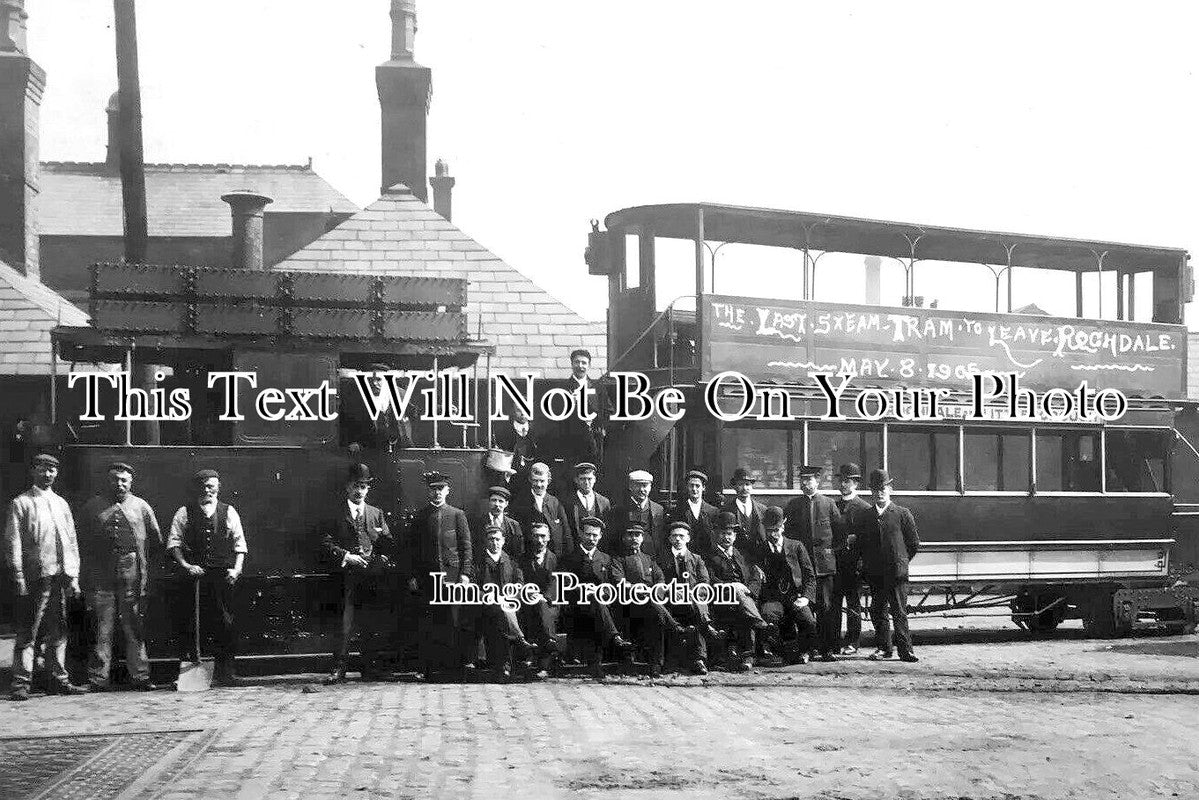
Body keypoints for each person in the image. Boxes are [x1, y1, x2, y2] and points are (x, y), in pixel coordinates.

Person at [5, 454, 88, 700]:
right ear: (33, 472)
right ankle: (21, 683)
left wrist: (73, 576)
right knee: (28, 632)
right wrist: (18, 575)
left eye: (52, 470)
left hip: (59, 577)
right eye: (43, 470)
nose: (48, 475)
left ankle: (58, 679)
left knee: (58, 630)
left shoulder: (62, 504)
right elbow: (13, 542)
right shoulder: (21, 503)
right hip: (34, 577)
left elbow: (71, 542)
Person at [79, 462, 160, 691]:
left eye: (124, 480)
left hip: (131, 573)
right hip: (100, 575)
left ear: (131, 482)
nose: (120, 484)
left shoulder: (141, 507)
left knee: (134, 626)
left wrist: (143, 569)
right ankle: (98, 679)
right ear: (108, 481)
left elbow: (155, 540)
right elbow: (80, 541)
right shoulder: (92, 507)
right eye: (115, 479)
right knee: (101, 628)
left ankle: (141, 676)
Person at [166, 468, 248, 686]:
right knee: (192, 622)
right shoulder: (184, 512)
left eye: (211, 486)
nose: (207, 490)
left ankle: (226, 672)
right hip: (194, 577)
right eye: (203, 486)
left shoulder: (229, 511)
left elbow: (240, 544)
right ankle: (190, 675)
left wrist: (236, 569)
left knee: (225, 623)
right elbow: (173, 543)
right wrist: (186, 565)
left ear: (218, 487)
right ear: (197, 488)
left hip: (221, 576)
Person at [320, 463, 396, 684]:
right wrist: (346, 556)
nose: (360, 491)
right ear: (347, 487)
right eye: (356, 486)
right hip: (346, 578)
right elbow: (325, 543)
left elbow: (387, 543)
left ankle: (369, 668)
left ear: (368, 489)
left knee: (371, 622)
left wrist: (380, 561)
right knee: (344, 624)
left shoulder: (376, 514)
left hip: (371, 578)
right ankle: (339, 669)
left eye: (363, 486)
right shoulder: (335, 514)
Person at [406, 470, 474, 679]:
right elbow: (412, 550)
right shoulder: (420, 517)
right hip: (428, 579)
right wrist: (413, 576)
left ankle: (454, 667)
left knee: (453, 621)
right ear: (429, 491)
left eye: (440, 489)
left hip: (452, 577)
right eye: (433, 489)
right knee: (428, 623)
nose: (437, 493)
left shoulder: (457, 515)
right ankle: (427, 668)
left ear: (447, 490)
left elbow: (466, 547)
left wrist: (465, 573)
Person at [557, 516, 635, 679]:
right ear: (581, 534)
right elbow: (563, 585)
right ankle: (614, 638)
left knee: (599, 606)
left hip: (601, 607)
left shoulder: (606, 559)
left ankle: (597, 662)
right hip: (575, 606)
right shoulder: (569, 558)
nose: (591, 539)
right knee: (595, 607)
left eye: (595, 535)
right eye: (588, 534)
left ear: (600, 536)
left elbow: (612, 586)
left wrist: (602, 594)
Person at [860, 469, 921, 663]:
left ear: (890, 490)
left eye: (883, 489)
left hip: (896, 574)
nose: (880, 493)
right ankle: (883, 648)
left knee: (899, 612)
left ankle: (906, 650)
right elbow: (863, 545)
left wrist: (900, 561)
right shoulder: (866, 516)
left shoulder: (902, 513)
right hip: (876, 574)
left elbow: (913, 544)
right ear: (871, 492)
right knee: (878, 611)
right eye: (876, 490)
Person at [782, 465, 843, 662]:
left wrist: (830, 553)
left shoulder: (829, 504)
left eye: (809, 480)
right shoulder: (793, 506)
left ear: (818, 481)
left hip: (824, 567)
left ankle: (827, 649)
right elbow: (788, 537)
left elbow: (840, 535)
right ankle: (807, 649)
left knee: (826, 609)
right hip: (801, 569)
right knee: (803, 609)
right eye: (803, 481)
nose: (806, 484)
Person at [614, 523, 689, 678]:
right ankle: (675, 627)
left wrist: (656, 590)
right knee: (655, 607)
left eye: (638, 535)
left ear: (642, 538)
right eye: (631, 534)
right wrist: (639, 589)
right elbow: (619, 582)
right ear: (624, 538)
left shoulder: (649, 559)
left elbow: (660, 579)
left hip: (652, 603)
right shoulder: (619, 559)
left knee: (658, 615)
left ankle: (656, 664)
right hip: (629, 604)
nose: (635, 538)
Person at [704, 511, 771, 672]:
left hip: (746, 597)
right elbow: (711, 580)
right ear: (716, 534)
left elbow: (755, 574)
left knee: (745, 610)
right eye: (723, 534)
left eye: (730, 534)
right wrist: (732, 586)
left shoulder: (742, 555)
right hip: (722, 597)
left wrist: (749, 591)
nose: (727, 538)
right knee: (744, 606)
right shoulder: (709, 557)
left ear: (734, 536)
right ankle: (759, 624)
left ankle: (747, 657)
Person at [659, 521, 723, 675]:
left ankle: (699, 660)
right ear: (669, 539)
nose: (678, 539)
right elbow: (660, 582)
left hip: (694, 602)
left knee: (695, 607)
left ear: (688, 538)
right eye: (674, 536)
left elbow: (704, 581)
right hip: (672, 601)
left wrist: (693, 592)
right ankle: (706, 624)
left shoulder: (696, 559)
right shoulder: (662, 558)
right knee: (697, 613)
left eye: (681, 536)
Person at [473, 525, 537, 680]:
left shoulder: (511, 562)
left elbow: (520, 583)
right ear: (486, 541)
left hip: (508, 606)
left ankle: (504, 668)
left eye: (497, 539)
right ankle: (519, 641)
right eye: (491, 539)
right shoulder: (478, 562)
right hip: (485, 606)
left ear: (503, 541)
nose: (494, 543)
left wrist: (510, 594)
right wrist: (490, 597)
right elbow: (473, 587)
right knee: (502, 611)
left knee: (503, 613)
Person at [758, 506, 818, 664]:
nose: (773, 534)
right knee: (767, 619)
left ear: (783, 527)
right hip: (773, 599)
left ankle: (805, 650)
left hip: (795, 597)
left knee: (809, 621)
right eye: (769, 530)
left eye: (776, 530)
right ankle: (779, 649)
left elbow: (809, 576)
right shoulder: (761, 549)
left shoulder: (796, 546)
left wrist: (805, 598)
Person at [832, 463, 871, 655]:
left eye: (847, 481)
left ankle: (852, 642)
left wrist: (861, 565)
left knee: (853, 603)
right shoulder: (834, 505)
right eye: (841, 480)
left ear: (855, 483)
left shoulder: (864, 508)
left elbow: (867, 540)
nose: (843, 484)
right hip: (835, 564)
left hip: (854, 565)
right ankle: (833, 641)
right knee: (834, 603)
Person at [516, 521, 563, 677]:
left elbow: (556, 583)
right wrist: (529, 593)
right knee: (535, 612)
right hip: (528, 602)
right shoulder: (523, 559)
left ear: (548, 538)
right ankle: (545, 651)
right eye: (536, 536)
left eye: (543, 536)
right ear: (531, 537)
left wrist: (545, 597)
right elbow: (519, 580)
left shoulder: (555, 560)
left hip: (551, 604)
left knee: (543, 610)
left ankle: (544, 661)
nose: (539, 540)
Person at [556, 348, 607, 470]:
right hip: (571, 441)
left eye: (584, 363)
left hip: (593, 441)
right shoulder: (563, 388)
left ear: (589, 365)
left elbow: (607, 411)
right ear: (572, 364)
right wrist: (570, 404)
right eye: (576, 362)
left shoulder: (598, 388)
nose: (580, 366)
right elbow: (555, 415)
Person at [512, 462, 572, 556]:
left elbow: (566, 531)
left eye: (542, 481)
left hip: (553, 557)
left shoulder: (555, 503)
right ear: (530, 480)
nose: (539, 485)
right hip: (529, 556)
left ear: (548, 481)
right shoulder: (521, 503)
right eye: (535, 480)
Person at [609, 470, 665, 557]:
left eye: (645, 486)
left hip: (651, 559)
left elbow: (659, 539)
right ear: (630, 486)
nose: (641, 490)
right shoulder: (619, 510)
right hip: (626, 558)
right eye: (637, 485)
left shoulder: (658, 510)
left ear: (650, 487)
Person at [670, 470, 719, 556]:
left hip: (707, 556)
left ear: (703, 488)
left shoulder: (713, 511)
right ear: (687, 487)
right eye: (691, 486)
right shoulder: (678, 510)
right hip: (686, 556)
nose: (694, 489)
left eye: (697, 486)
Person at [561, 462, 610, 544]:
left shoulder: (604, 502)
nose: (586, 482)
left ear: (595, 479)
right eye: (582, 479)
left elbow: (607, 529)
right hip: (575, 547)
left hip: (597, 549)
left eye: (589, 479)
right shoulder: (567, 502)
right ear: (576, 480)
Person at [492, 406, 538, 494]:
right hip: (509, 479)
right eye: (519, 410)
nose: (523, 413)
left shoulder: (536, 430)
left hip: (532, 479)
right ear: (513, 411)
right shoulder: (504, 431)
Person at [721, 468, 767, 557]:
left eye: (747, 484)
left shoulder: (763, 510)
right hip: (736, 558)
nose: (744, 488)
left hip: (759, 558)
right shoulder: (726, 510)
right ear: (734, 487)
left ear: (751, 486)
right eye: (740, 484)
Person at [472, 486, 524, 561]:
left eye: (501, 501)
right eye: (494, 500)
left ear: (506, 504)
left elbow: (518, 551)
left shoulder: (514, 525)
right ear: (489, 502)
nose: (497, 504)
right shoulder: (478, 523)